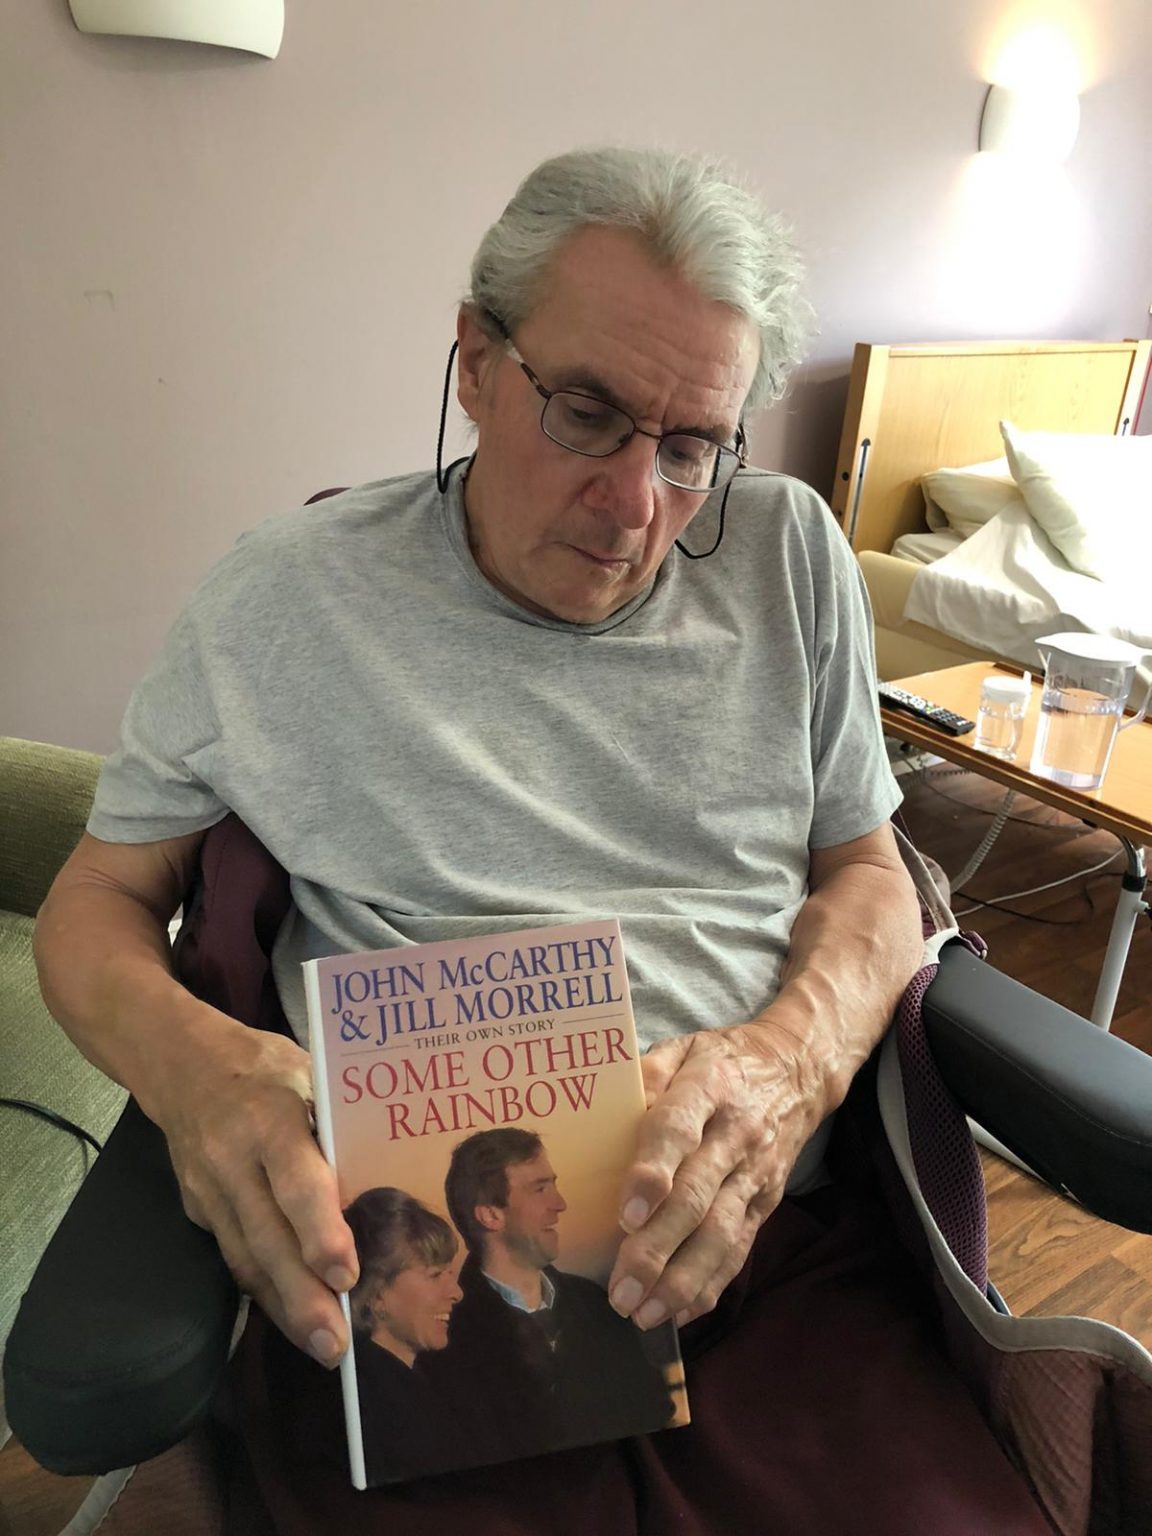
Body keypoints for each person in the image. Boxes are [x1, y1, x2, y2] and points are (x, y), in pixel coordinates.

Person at [34, 145, 1051, 1532]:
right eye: (586, 413)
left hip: (764, 1253)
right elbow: (95, 898)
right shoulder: (283, 599)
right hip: (420, 1293)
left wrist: (788, 1064)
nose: (637, 507)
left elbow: (870, 875)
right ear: (473, 358)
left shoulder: (791, 556)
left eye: (691, 449)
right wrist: (196, 1075)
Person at [430, 1128, 675, 1464]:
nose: (560, 1204)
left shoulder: (597, 1302)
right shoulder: (444, 1338)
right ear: (491, 1215)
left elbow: (657, 1413)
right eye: (540, 1189)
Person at [342, 1188, 463, 1482]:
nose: (457, 1292)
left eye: (450, 1274)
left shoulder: (425, 1383)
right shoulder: (375, 1406)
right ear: (376, 1293)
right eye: (435, 1275)